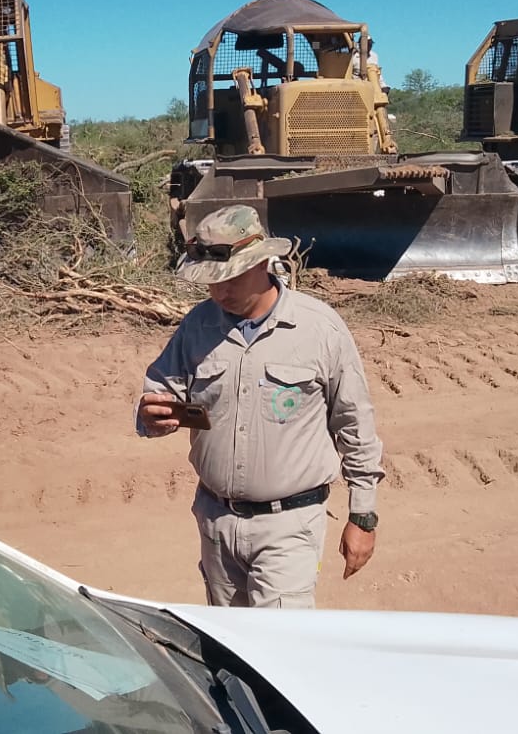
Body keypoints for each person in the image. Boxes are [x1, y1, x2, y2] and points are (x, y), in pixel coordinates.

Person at [135, 205, 383, 609]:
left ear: (263, 263)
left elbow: (355, 424)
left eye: (231, 279)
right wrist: (151, 415)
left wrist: (363, 515)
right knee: (230, 640)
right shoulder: (198, 325)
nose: (220, 292)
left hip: (289, 526)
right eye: (211, 282)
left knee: (277, 640)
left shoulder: (320, 328)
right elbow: (160, 390)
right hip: (215, 522)